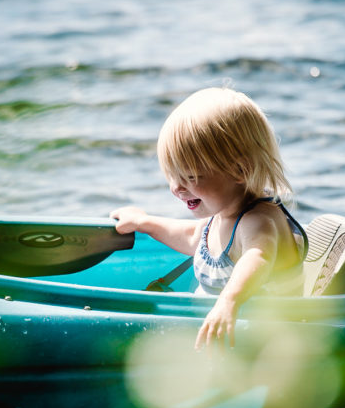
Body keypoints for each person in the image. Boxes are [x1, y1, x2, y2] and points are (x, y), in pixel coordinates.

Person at [110, 87, 305, 349]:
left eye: (189, 177)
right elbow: (192, 236)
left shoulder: (258, 221)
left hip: (266, 343)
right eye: (172, 176)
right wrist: (144, 222)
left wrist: (229, 301)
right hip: (225, 332)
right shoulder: (223, 214)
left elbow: (258, 257)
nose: (177, 188)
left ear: (240, 170)